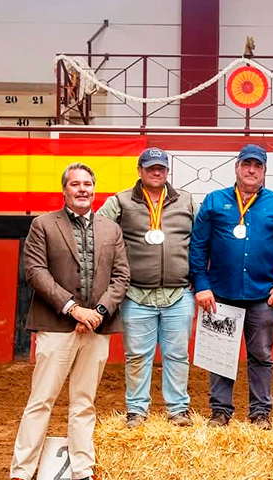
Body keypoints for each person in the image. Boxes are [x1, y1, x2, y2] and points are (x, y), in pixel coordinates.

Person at [5, 163, 130, 480]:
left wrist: (98, 313)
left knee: (84, 402)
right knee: (41, 400)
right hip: (56, 325)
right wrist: (74, 309)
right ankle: (20, 474)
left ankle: (82, 473)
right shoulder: (42, 225)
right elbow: (35, 272)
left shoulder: (111, 230)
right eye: (75, 184)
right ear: (64, 190)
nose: (82, 189)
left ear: (95, 188)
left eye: (88, 183)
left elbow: (121, 277)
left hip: (96, 328)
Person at [190, 144, 273, 430]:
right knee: (220, 356)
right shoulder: (215, 202)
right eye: (246, 164)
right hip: (219, 295)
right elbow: (197, 246)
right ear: (237, 167)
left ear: (264, 171)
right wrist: (201, 285)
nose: (251, 170)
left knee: (262, 356)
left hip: (262, 297)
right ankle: (219, 412)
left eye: (257, 166)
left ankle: (260, 414)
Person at [98, 147, 198, 429]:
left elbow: (203, 240)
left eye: (162, 168)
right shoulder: (120, 201)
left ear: (168, 172)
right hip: (135, 295)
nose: (157, 172)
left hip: (178, 294)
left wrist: (201, 279)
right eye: (151, 167)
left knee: (177, 355)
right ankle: (136, 411)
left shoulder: (187, 201)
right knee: (137, 356)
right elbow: (97, 230)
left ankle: (178, 409)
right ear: (139, 171)